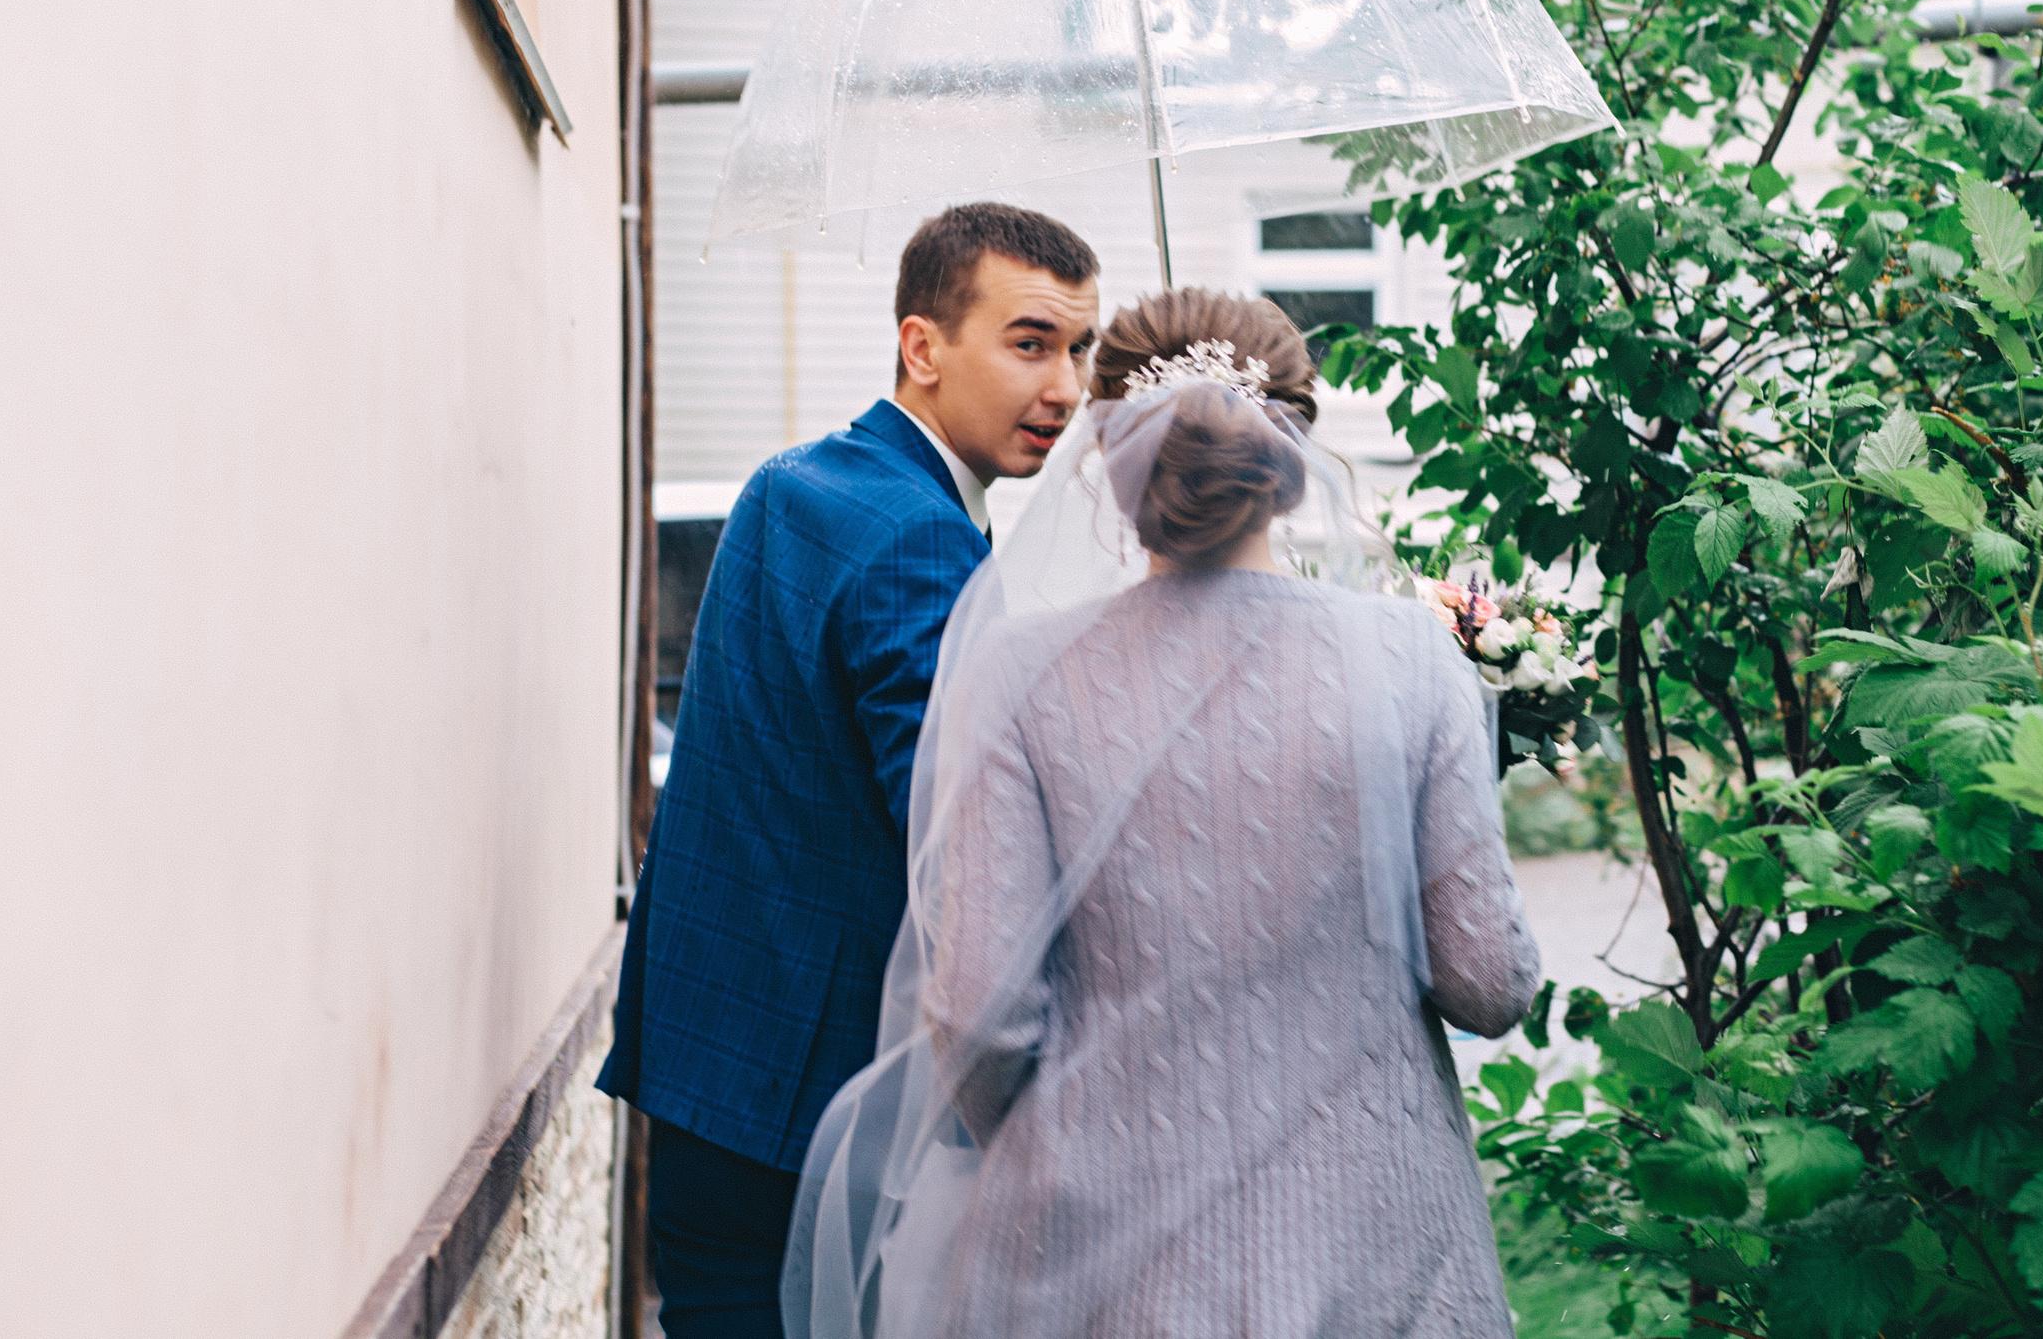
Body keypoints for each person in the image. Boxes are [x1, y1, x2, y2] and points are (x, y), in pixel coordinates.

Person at [786, 289, 1542, 1339]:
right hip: (1376, 1247)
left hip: (1101, 1261)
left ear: (1107, 453)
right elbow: (1489, 983)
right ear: (1290, 450)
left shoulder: (1018, 671)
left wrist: (1084, 1132)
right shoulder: (1410, 659)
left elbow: (981, 1013)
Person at [600, 203, 1102, 1339]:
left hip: (707, 1056)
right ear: (923, 347)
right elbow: (962, 830)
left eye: (1079, 349)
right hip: (812, 1100)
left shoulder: (797, 481)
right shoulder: (918, 538)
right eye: (1030, 343)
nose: (1066, 390)